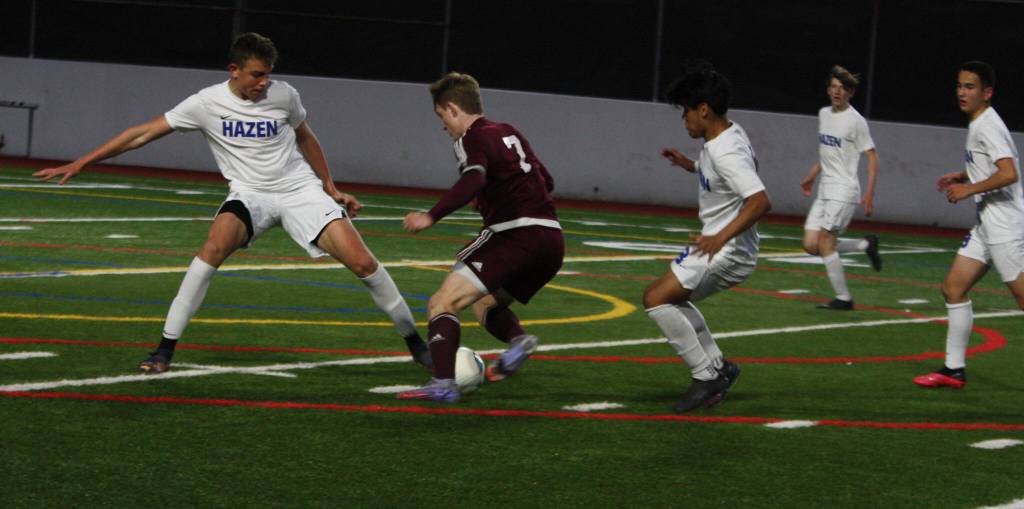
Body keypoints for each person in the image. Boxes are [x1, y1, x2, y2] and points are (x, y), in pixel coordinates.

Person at [33, 33, 431, 373]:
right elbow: (142, 134)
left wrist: (329, 187)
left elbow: (306, 137)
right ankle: (164, 349)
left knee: (363, 262)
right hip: (250, 195)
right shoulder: (205, 103)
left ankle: (415, 343)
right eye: (257, 74)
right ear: (234, 70)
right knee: (212, 248)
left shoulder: (285, 96)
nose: (263, 83)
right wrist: (82, 162)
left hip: (299, 192)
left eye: (267, 75)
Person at [397, 72, 563, 403]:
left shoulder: (470, 138)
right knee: (485, 304)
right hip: (552, 241)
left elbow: (473, 178)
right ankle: (517, 341)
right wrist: (492, 195)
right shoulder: (508, 131)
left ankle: (443, 382)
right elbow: (547, 180)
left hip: (514, 235)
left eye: (441, 117)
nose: (443, 126)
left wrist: (432, 215)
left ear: (453, 109)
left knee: (443, 302)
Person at [645, 62, 771, 413]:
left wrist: (719, 238)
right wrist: (690, 164)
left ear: (704, 109)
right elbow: (722, 175)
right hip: (724, 246)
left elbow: (760, 200)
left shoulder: (724, 151)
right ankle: (719, 368)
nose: (684, 119)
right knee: (671, 300)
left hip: (727, 251)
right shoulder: (726, 135)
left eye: (686, 112)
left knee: (657, 298)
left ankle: (707, 376)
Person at [914, 61, 1024, 389]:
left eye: (970, 87)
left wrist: (968, 188)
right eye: (960, 86)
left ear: (987, 93)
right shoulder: (979, 123)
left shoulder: (988, 124)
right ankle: (953, 369)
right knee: (953, 288)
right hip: (986, 225)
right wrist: (963, 174)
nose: (962, 92)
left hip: (1005, 226)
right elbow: (994, 165)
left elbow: (1009, 173)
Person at [799, 65, 882, 311]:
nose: (837, 92)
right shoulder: (824, 114)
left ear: (850, 93)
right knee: (810, 244)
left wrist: (869, 193)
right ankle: (865, 245)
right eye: (833, 87)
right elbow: (827, 154)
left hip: (844, 190)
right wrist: (811, 176)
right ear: (828, 90)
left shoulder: (856, 122)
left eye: (842, 88)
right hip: (825, 190)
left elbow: (873, 158)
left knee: (825, 242)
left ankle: (844, 299)